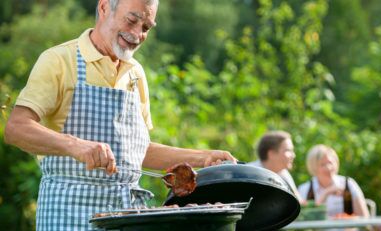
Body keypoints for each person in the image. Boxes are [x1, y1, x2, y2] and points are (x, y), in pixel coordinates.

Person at [3, 0, 236, 230]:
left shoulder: (135, 74)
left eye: (146, 28)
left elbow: (138, 152)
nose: (137, 34)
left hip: (126, 218)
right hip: (68, 216)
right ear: (104, 7)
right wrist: (76, 146)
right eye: (132, 20)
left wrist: (203, 159)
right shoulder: (60, 61)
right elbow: (17, 129)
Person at [297, 144, 369, 218]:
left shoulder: (348, 184)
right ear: (314, 167)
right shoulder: (304, 189)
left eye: (330, 163)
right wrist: (326, 193)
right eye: (323, 165)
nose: (328, 168)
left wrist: (348, 220)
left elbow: (364, 217)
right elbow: (305, 219)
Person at [248, 130, 301, 200]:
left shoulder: (284, 174)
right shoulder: (250, 173)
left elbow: (299, 201)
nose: (293, 155)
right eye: (288, 150)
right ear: (271, 154)